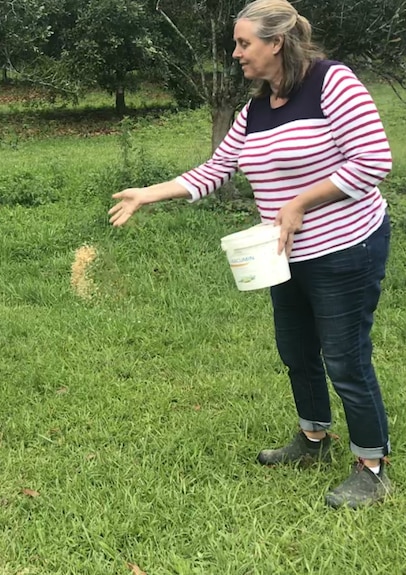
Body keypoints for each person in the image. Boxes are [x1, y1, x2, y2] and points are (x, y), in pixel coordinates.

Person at [108, 0, 394, 509]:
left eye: (244, 44)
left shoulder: (333, 82)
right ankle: (311, 440)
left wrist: (299, 203)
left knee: (346, 359)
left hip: (347, 246)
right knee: (297, 351)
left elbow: (373, 159)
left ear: (276, 42)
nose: (236, 54)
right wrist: (147, 193)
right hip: (284, 254)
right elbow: (216, 170)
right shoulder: (256, 110)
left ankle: (372, 466)